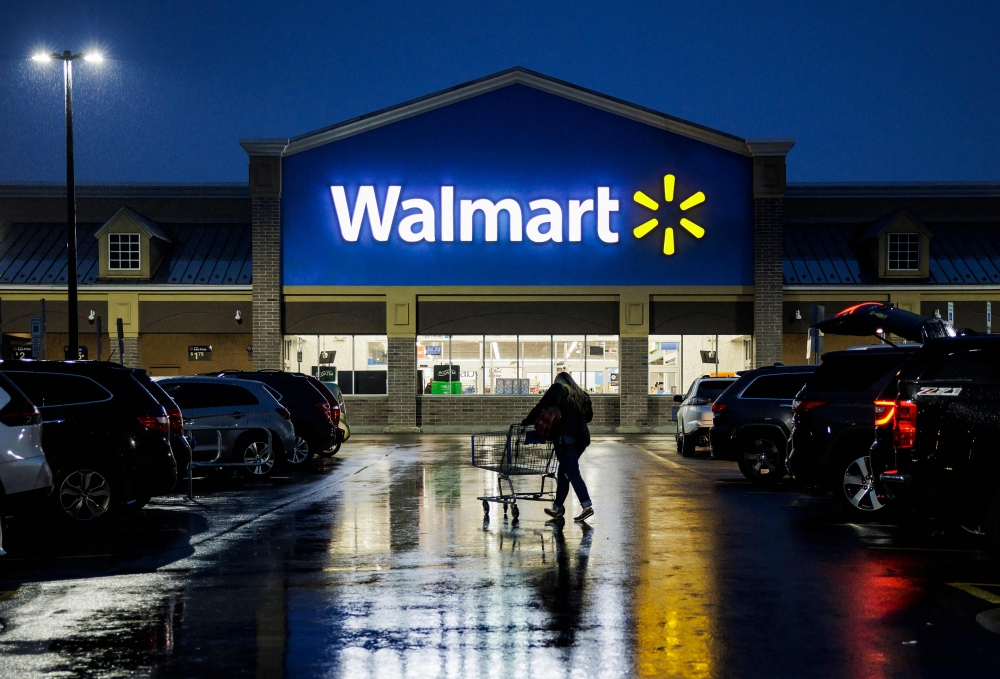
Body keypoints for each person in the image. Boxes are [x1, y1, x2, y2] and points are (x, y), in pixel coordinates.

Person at [522, 371, 594, 523]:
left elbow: (541, 406)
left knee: (572, 471)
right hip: (582, 437)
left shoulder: (557, 389)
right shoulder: (581, 394)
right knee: (564, 472)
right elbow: (588, 418)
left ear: (558, 381)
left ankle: (586, 505)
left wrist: (527, 421)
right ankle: (557, 508)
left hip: (565, 439)